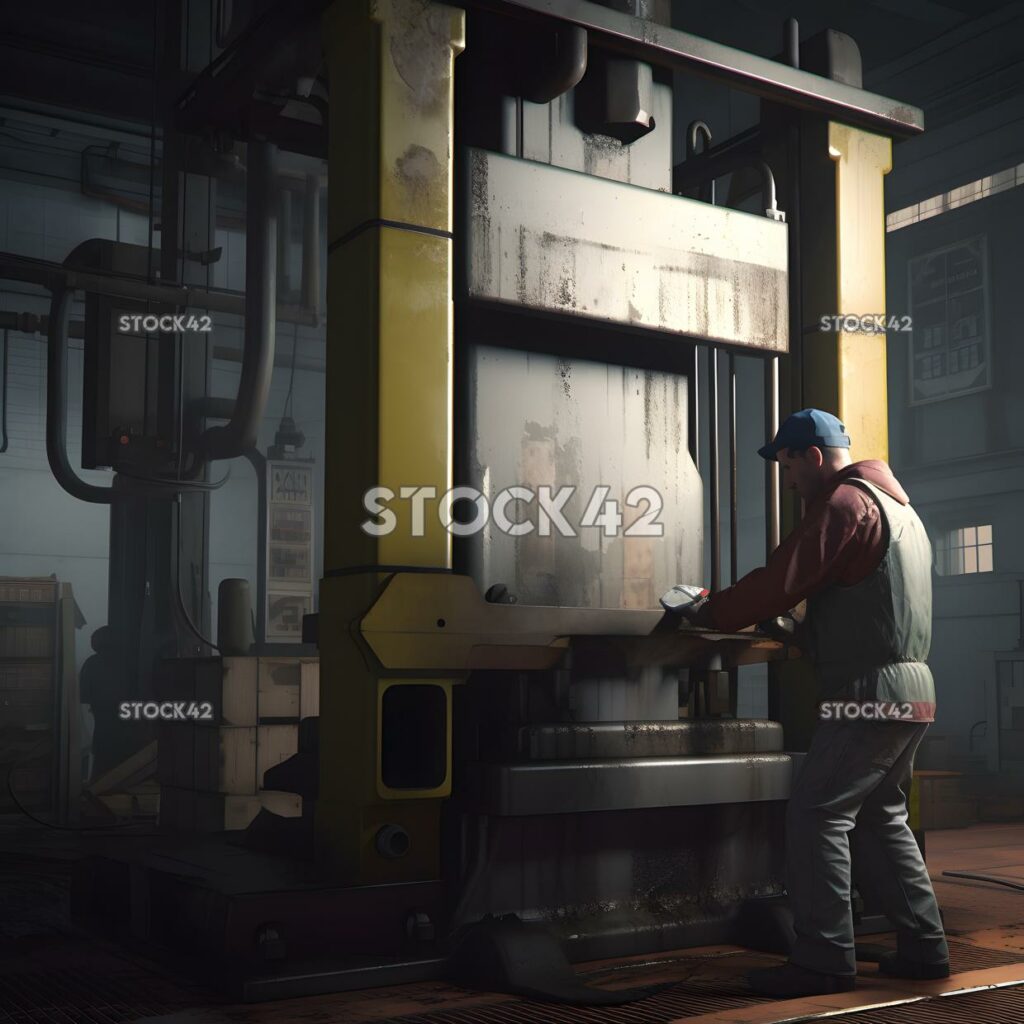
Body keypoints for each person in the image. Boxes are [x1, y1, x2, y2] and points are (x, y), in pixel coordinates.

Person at [690, 408, 949, 999]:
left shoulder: (844, 503)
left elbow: (783, 576)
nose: (787, 480)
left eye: (787, 465)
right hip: (912, 693)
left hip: (865, 696)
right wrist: (799, 632)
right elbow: (873, 609)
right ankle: (925, 948)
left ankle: (826, 959)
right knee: (882, 816)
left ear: (810, 455)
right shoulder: (902, 511)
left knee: (817, 814)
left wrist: (712, 611)